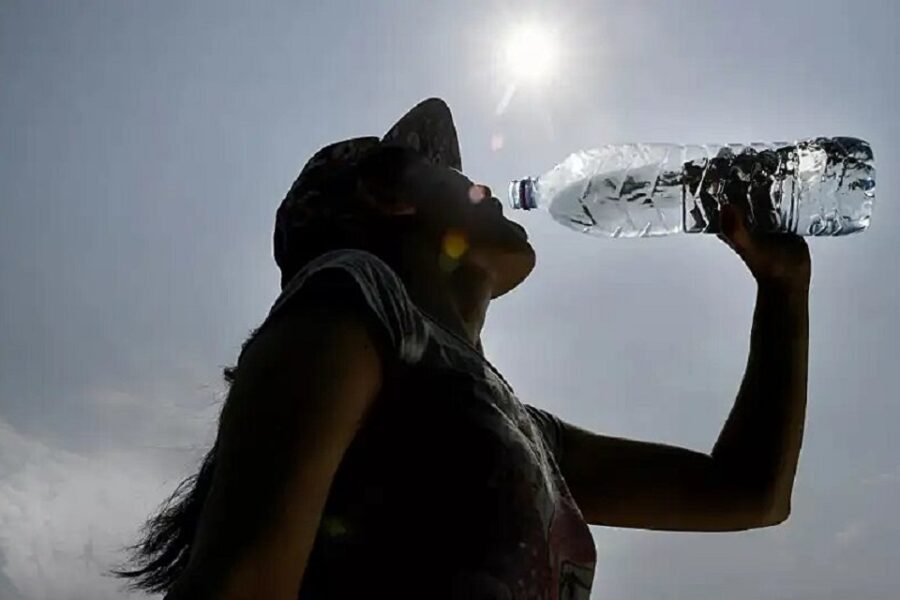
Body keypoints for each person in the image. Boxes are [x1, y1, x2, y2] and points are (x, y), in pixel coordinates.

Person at [113, 98, 811, 599]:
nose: (487, 191)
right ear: (389, 195)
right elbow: (239, 583)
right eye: (458, 176)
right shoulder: (351, 302)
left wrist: (783, 288)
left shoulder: (522, 427)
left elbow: (749, 493)